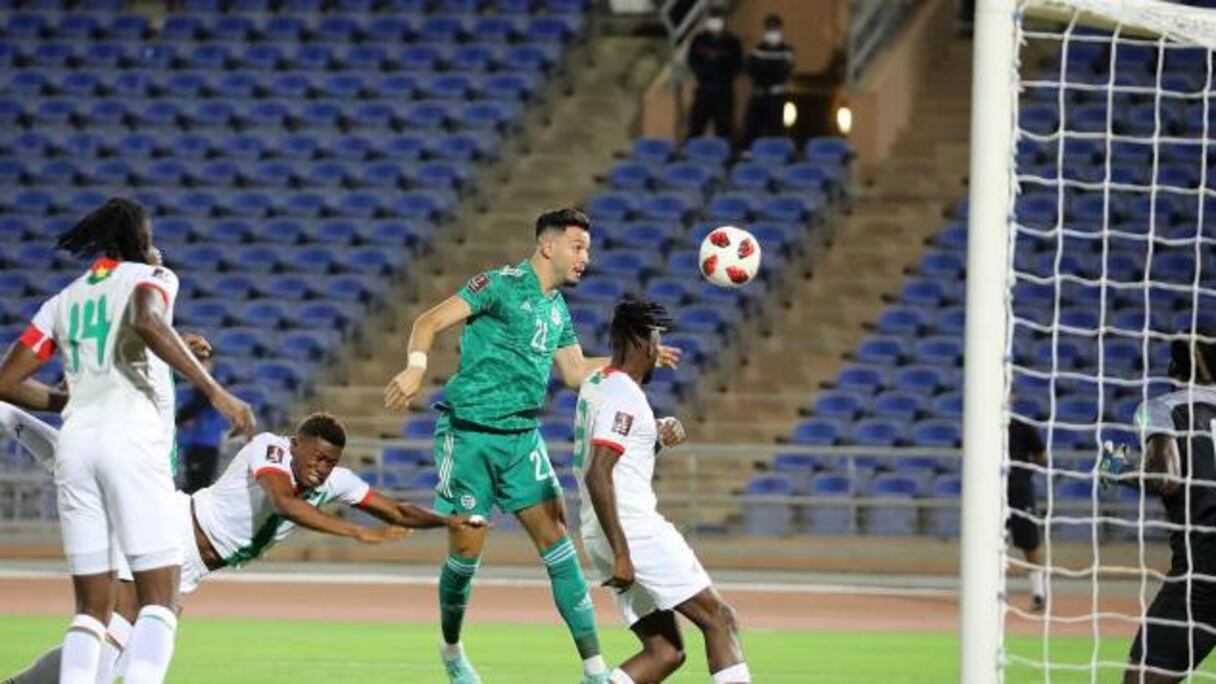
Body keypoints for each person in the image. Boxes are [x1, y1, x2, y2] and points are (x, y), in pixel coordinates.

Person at [382, 208, 680, 684]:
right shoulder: (498, 285)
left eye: (588, 249)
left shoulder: (557, 308)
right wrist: (416, 366)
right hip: (469, 436)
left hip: (522, 439)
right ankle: (452, 650)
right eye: (578, 247)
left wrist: (632, 361)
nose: (586, 257)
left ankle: (594, 670)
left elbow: (575, 371)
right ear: (549, 245)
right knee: (464, 557)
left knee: (558, 547)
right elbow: (429, 320)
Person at [0, 407, 486, 684]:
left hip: (187, 565)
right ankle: (9, 415)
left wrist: (448, 520)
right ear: (297, 442)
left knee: (116, 645)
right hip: (171, 529)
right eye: (316, 456)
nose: (320, 468)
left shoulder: (334, 481)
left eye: (329, 462)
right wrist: (358, 533)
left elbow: (396, 509)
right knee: (121, 647)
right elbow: (283, 503)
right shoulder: (270, 449)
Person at [0, 198, 256, 684]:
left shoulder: (65, 298)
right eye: (150, 236)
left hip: (77, 447)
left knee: (91, 611)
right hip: (132, 447)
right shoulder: (154, 277)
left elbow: (8, 380)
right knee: (160, 600)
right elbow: (143, 318)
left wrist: (64, 402)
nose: (155, 246)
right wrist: (214, 389)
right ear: (139, 242)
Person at [577, 299, 751, 684]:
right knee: (719, 620)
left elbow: (616, 456)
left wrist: (655, 437)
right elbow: (598, 472)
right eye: (656, 338)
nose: (659, 349)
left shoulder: (597, 383)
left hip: (600, 530)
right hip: (632, 531)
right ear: (641, 340)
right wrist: (624, 553)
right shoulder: (624, 394)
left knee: (665, 651)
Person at [1099, 335, 1216, 683]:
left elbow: (1166, 476)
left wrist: (1116, 469)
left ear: (1173, 369)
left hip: (1205, 568)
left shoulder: (1160, 408)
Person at [1008, 416, 1048, 612]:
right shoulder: (982, 426)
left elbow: (1043, 456)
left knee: (1029, 542)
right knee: (985, 543)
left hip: (1019, 490)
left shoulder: (1022, 426)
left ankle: (1038, 593)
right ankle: (988, 590)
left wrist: (1025, 472)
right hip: (989, 491)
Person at [686, 5, 743, 141]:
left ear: (723, 20)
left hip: (724, 91)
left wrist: (722, 77)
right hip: (704, 89)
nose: (715, 21)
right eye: (712, 18)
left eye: (718, 18)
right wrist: (706, 74)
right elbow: (692, 62)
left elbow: (737, 66)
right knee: (696, 127)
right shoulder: (699, 40)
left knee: (724, 130)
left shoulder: (732, 42)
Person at [175, 351, 227, 493]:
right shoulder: (200, 385)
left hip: (204, 443)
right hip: (197, 442)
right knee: (197, 486)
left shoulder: (210, 385)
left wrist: (179, 419)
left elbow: (197, 405)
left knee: (198, 487)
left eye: (203, 362)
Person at [743, 14, 795, 146]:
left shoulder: (787, 51)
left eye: (775, 29)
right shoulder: (757, 50)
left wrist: (767, 73)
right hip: (759, 96)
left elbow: (783, 73)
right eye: (769, 29)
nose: (772, 33)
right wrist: (766, 75)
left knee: (775, 128)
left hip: (776, 97)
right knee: (753, 127)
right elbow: (752, 70)